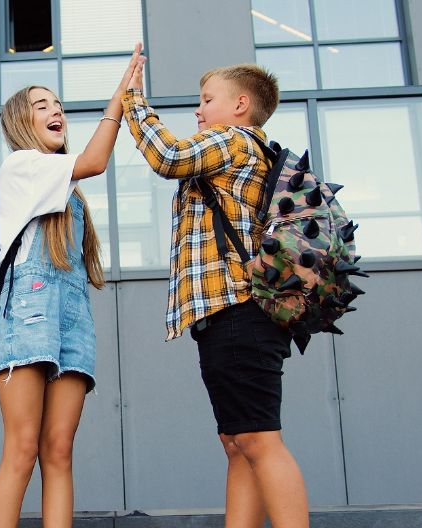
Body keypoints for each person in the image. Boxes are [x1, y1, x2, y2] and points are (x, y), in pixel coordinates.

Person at [121, 47, 309, 528]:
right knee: (239, 442)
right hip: (232, 314)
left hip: (239, 310)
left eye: (207, 99)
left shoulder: (234, 140)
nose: (198, 110)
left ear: (240, 104)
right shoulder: (243, 150)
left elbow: (167, 156)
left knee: (259, 441)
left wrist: (132, 100)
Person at [0, 44, 143, 528]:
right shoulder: (21, 167)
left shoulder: (66, 190)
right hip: (26, 319)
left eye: (57, 104)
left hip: (73, 322)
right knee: (22, 448)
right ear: (20, 122)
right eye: (41, 105)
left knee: (59, 450)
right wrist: (119, 100)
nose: (56, 110)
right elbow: (94, 160)